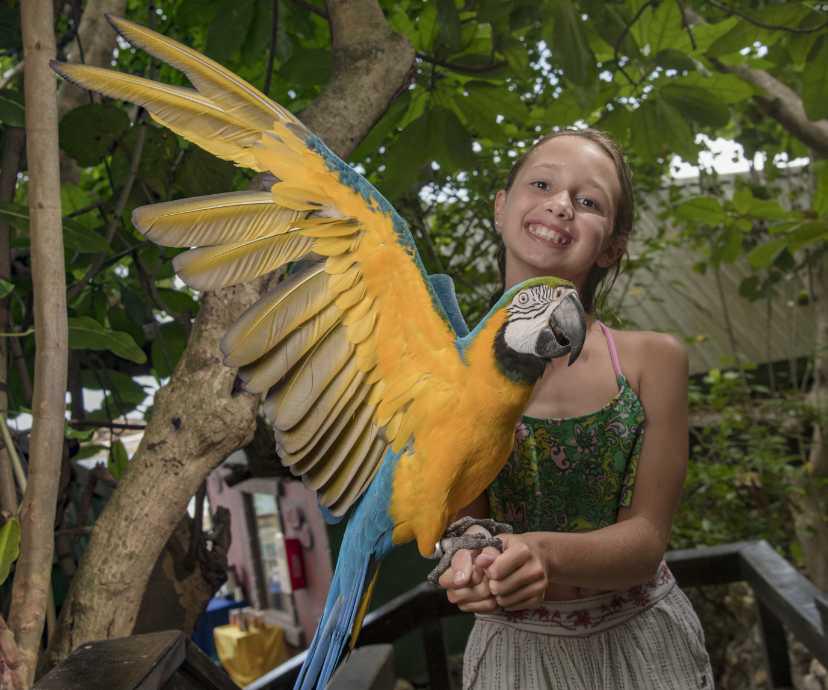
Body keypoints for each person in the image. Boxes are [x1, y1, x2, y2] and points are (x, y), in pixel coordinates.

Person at [437, 129, 714, 689]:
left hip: (646, 646)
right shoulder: (447, 374)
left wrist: (541, 552)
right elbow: (465, 524)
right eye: (541, 184)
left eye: (589, 202)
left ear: (612, 246)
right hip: (516, 658)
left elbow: (647, 539)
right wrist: (468, 568)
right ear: (501, 206)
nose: (560, 204)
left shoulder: (652, 361)